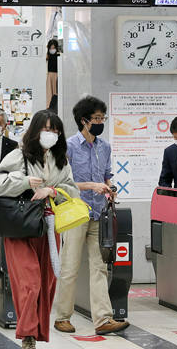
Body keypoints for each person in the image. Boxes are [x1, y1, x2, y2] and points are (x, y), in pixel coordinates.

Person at [0, 110, 80, 349]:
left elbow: (72, 191)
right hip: (19, 226)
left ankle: (36, 332)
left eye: (54, 130)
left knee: (47, 283)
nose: (50, 134)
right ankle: (28, 333)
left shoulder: (61, 160)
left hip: (49, 228)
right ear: (35, 130)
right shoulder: (19, 155)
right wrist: (24, 182)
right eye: (45, 129)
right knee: (29, 282)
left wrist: (52, 191)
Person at [54, 96, 130, 335]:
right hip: (75, 214)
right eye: (97, 118)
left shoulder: (104, 146)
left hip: (99, 213)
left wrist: (109, 189)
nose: (101, 122)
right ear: (83, 121)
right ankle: (62, 317)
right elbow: (62, 183)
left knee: (100, 267)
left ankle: (103, 319)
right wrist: (91, 186)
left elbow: (107, 175)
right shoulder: (68, 147)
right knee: (70, 267)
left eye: (102, 118)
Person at [46, 39, 59, 111]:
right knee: (49, 92)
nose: (52, 50)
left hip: (57, 75)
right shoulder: (47, 56)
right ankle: (49, 106)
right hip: (50, 76)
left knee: (56, 92)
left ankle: (55, 106)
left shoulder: (59, 56)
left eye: (54, 48)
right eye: (51, 48)